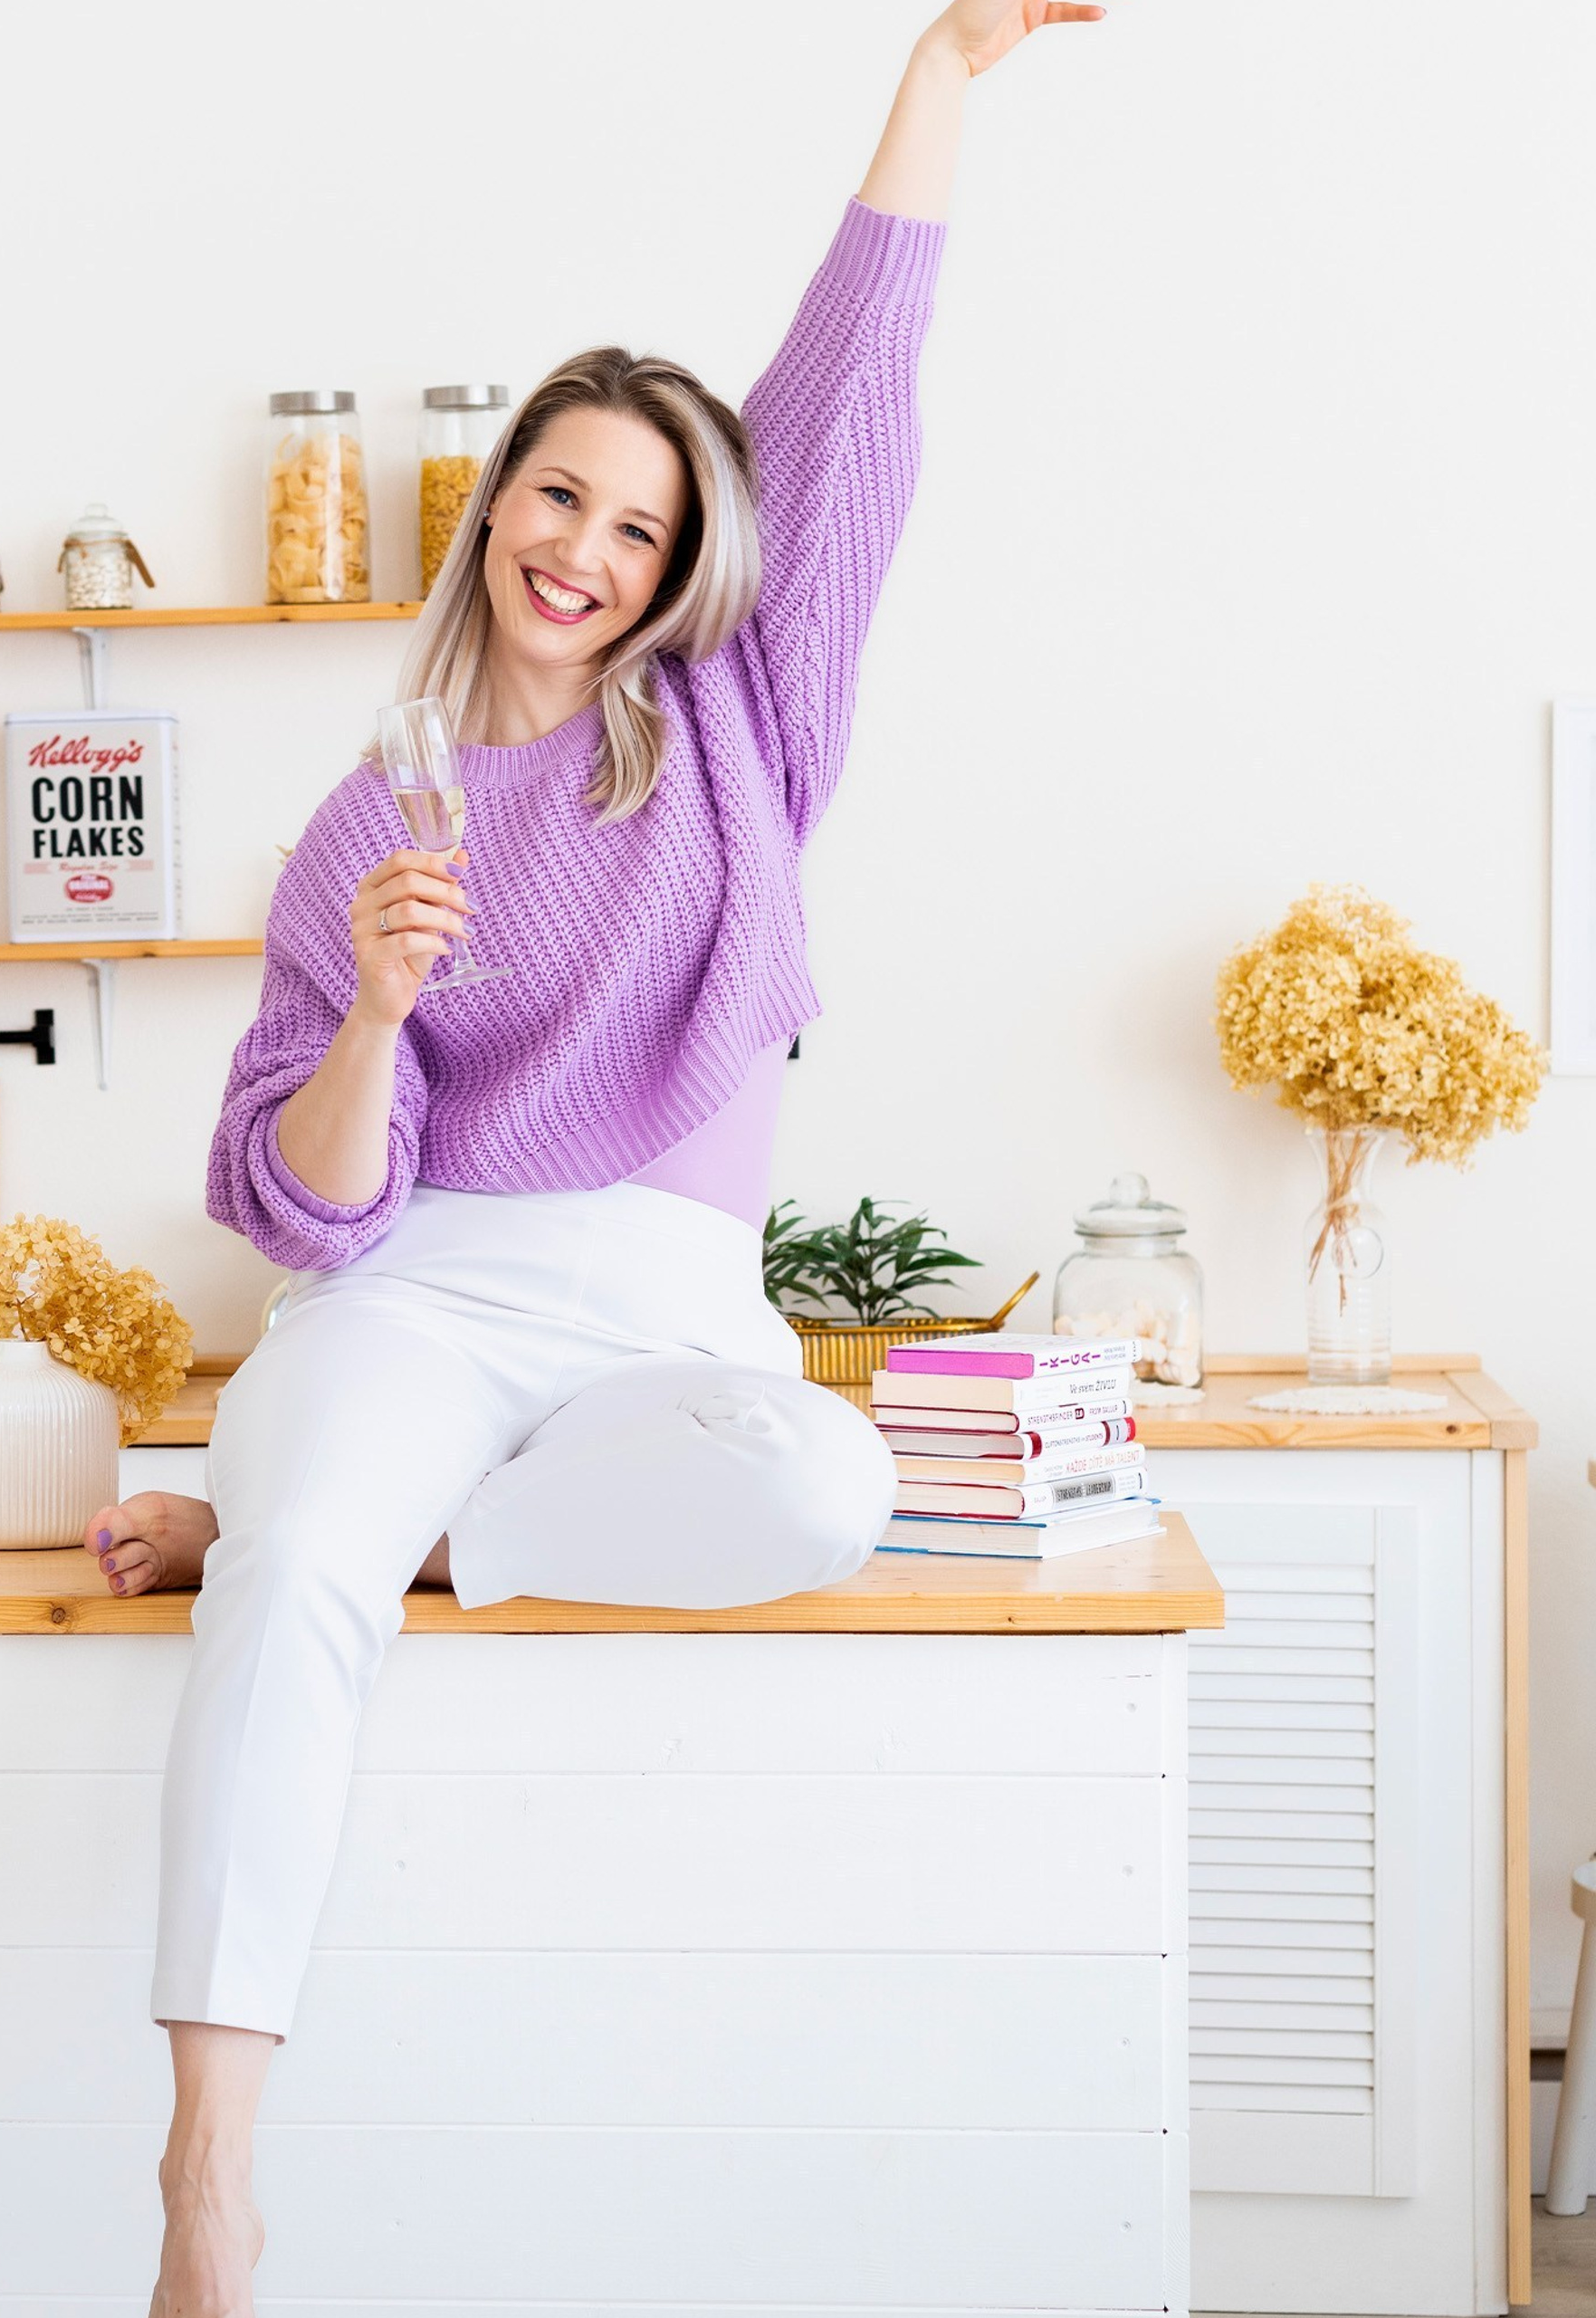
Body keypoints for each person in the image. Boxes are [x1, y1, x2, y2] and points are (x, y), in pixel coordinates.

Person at [91, 4, 1109, 2307]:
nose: (586, 545)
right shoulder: (375, 815)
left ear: (679, 571)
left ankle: (335, 1515)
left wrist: (936, 79)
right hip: (420, 1286)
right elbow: (305, 1195)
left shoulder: (749, 719)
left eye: (638, 522)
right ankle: (209, 2175)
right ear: (493, 504)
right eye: (558, 492)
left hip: (663, 1305)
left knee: (823, 1486)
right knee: (292, 1591)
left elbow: (848, 417)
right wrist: (362, 996)